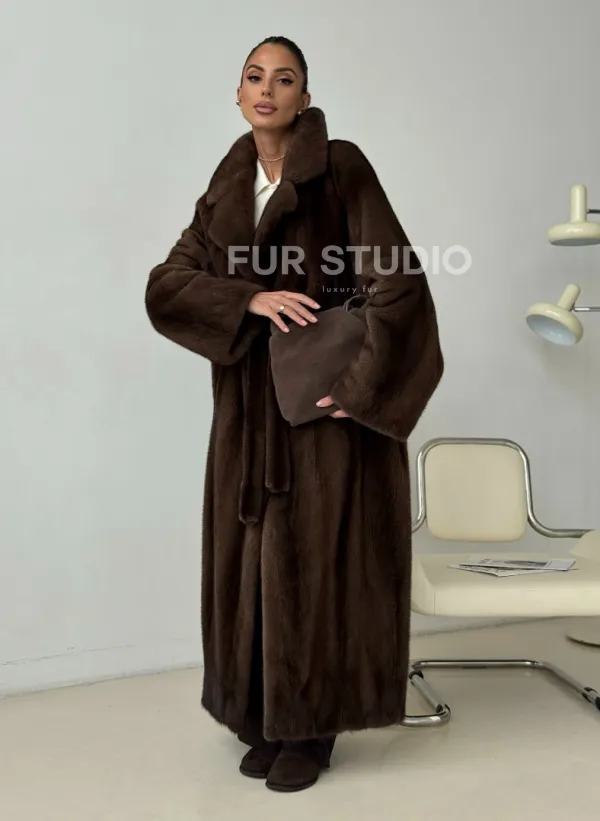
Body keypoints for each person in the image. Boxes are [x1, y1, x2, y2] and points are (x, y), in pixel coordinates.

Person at [145, 36, 444, 793]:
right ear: (238, 93)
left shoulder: (340, 167)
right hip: (248, 413)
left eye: (284, 79)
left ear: (305, 98)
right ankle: (263, 716)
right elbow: (168, 284)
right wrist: (247, 297)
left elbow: (398, 281)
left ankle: (312, 729)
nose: (267, 89)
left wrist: (361, 386)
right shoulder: (225, 187)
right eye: (255, 77)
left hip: (321, 410)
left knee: (317, 565)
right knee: (250, 563)